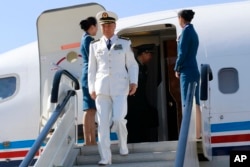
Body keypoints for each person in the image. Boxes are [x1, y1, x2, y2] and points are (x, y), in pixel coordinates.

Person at [88, 11, 139, 165]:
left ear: (115, 26)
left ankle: (123, 144)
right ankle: (105, 157)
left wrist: (134, 82)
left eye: (109, 25)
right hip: (101, 88)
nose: (107, 28)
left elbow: (132, 64)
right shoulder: (94, 45)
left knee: (118, 119)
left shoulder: (124, 43)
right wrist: (91, 87)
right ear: (101, 27)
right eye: (104, 25)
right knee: (102, 125)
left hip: (120, 87)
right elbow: (91, 69)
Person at [174, 9, 202, 139]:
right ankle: (197, 132)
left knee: (187, 101)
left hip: (187, 70)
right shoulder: (193, 31)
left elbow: (182, 53)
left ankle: (190, 133)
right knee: (195, 101)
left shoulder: (186, 32)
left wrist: (177, 67)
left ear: (181, 18)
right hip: (194, 68)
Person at [127, 44, 158, 143]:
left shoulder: (144, 67)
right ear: (143, 54)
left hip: (141, 101)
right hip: (132, 102)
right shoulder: (133, 65)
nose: (150, 57)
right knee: (134, 126)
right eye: (149, 54)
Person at [79, 17, 98, 145]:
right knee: (89, 109)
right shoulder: (89, 40)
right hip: (90, 75)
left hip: (87, 75)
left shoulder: (84, 38)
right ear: (92, 27)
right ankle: (89, 140)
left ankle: (91, 140)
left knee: (90, 109)